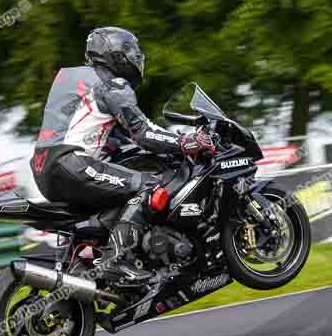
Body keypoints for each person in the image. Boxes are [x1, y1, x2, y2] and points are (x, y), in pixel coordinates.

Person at [29, 27, 215, 281]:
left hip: (44, 168)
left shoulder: (75, 79)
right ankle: (117, 259)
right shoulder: (112, 84)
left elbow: (103, 132)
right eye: (130, 51)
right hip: (70, 163)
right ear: (114, 54)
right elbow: (143, 132)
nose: (136, 58)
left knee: (119, 192)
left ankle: (86, 260)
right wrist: (186, 141)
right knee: (148, 185)